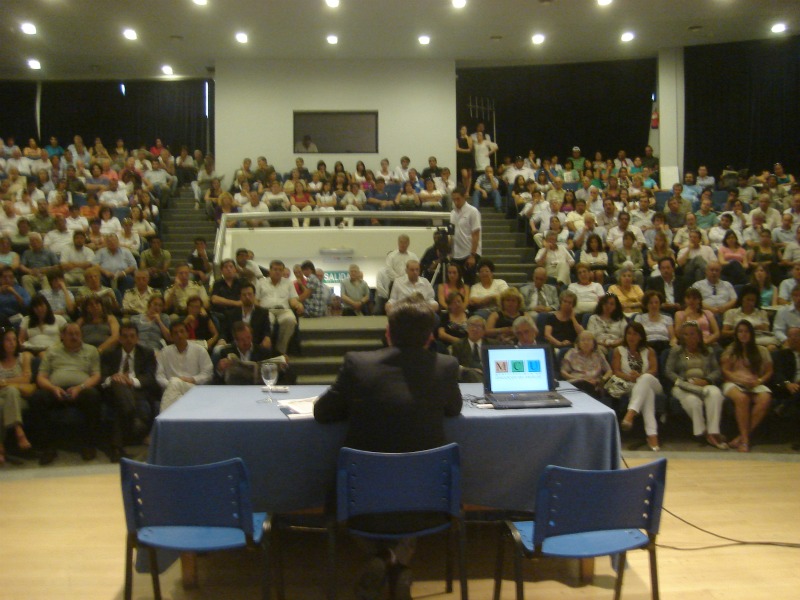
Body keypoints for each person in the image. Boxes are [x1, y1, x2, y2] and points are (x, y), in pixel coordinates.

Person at [314, 300, 462, 600]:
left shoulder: (358, 363)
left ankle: (381, 560)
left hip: (360, 500)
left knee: (360, 496)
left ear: (387, 333)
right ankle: (396, 562)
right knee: (410, 487)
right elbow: (454, 407)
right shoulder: (445, 366)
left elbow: (322, 412)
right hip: (428, 500)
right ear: (430, 337)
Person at [29, 323, 103, 465]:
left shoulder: (91, 350)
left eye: (77, 334)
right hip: (56, 389)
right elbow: (41, 377)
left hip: (81, 390)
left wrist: (80, 388)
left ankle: (89, 445)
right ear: (62, 336)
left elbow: (96, 376)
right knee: (37, 398)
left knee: (93, 395)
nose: (75, 337)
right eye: (70, 334)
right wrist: (52, 388)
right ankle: (48, 448)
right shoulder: (52, 351)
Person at [100, 322, 160, 461]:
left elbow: (150, 376)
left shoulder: (146, 353)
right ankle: (133, 417)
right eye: (125, 336)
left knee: (121, 405)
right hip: (113, 390)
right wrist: (113, 377)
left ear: (137, 338)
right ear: (120, 338)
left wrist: (132, 381)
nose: (129, 339)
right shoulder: (109, 353)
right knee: (118, 383)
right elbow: (102, 376)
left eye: (132, 336)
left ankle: (116, 448)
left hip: (136, 390)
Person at [665, 322, 728, 450]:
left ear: (699, 336)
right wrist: (684, 381)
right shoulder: (677, 351)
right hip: (682, 386)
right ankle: (704, 433)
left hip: (703, 383)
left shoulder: (708, 351)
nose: (689, 337)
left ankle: (713, 431)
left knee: (715, 393)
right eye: (686, 335)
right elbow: (668, 371)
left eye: (692, 334)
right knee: (693, 402)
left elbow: (717, 371)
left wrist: (707, 380)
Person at [607, 322, 662, 451]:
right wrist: (629, 377)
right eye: (629, 333)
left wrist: (640, 375)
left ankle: (630, 414)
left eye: (635, 334)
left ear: (641, 336)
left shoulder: (649, 351)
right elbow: (616, 371)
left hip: (652, 382)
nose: (631, 337)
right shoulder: (619, 350)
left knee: (646, 379)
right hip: (631, 386)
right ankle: (652, 435)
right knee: (647, 394)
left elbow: (654, 370)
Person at [721, 320, 774, 453]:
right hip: (733, 383)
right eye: (740, 331)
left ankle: (741, 437)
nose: (743, 334)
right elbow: (725, 371)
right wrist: (740, 379)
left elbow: (769, 371)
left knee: (765, 398)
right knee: (742, 398)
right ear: (736, 334)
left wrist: (760, 380)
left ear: (751, 333)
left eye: (746, 331)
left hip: (755, 383)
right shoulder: (731, 349)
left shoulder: (761, 350)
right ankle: (745, 440)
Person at [156, 321, 213, 412]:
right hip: (171, 391)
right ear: (171, 337)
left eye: (182, 331)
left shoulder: (199, 350)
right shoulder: (164, 352)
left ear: (187, 333)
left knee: (175, 382)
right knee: (175, 384)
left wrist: (193, 379)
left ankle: (163, 421)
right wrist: (172, 384)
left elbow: (208, 373)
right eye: (175, 333)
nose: (179, 335)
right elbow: (159, 376)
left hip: (193, 390)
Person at [214, 321, 291, 385]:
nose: (246, 342)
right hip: (234, 391)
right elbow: (217, 380)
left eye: (248, 337)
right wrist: (220, 369)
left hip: (257, 390)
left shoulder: (262, 351)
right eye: (242, 340)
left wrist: (283, 367)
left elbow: (280, 375)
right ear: (235, 340)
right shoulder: (226, 352)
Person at [255, 260, 304, 355]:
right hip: (266, 310)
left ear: (283, 272)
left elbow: (293, 300)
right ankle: (267, 350)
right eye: (275, 269)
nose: (277, 272)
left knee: (290, 320)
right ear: (270, 270)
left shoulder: (288, 283)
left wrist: (298, 304)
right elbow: (256, 300)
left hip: (284, 310)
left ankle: (281, 350)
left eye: (280, 270)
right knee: (268, 322)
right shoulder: (261, 282)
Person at [0, 329, 35, 463]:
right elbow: (21, 379)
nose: (12, 343)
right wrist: (15, 381)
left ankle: (2, 446)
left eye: (14, 339)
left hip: (19, 398)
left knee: (10, 393)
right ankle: (18, 431)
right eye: (8, 340)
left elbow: (26, 379)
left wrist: (4, 382)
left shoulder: (23, 357)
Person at [721, 285, 779, 350]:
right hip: (740, 341)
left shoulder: (762, 313)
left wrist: (758, 327)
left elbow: (766, 330)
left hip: (760, 339)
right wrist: (742, 331)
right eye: (748, 299)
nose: (750, 303)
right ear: (742, 299)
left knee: (772, 347)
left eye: (753, 300)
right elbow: (724, 333)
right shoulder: (731, 313)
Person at [560, 331, 611, 398]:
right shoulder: (572, 353)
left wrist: (603, 379)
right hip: (576, 382)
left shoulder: (598, 354)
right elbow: (563, 372)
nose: (586, 342)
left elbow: (609, 371)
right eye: (583, 340)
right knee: (582, 385)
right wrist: (579, 379)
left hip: (594, 385)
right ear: (578, 343)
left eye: (589, 340)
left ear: (594, 343)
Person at [449, 186, 481, 286]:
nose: (456, 201)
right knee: (455, 283)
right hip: (456, 253)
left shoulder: (473, 211)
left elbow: (476, 234)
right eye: (454, 199)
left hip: (468, 253)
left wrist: (472, 255)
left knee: (469, 283)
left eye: (458, 199)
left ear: (464, 197)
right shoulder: (452, 213)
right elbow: (452, 234)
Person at [633, 291, 676, 355]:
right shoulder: (639, 318)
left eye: (656, 302)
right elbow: (636, 336)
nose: (654, 305)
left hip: (664, 346)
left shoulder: (667, 318)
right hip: (646, 346)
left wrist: (673, 346)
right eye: (651, 303)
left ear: (660, 304)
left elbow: (672, 338)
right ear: (646, 305)